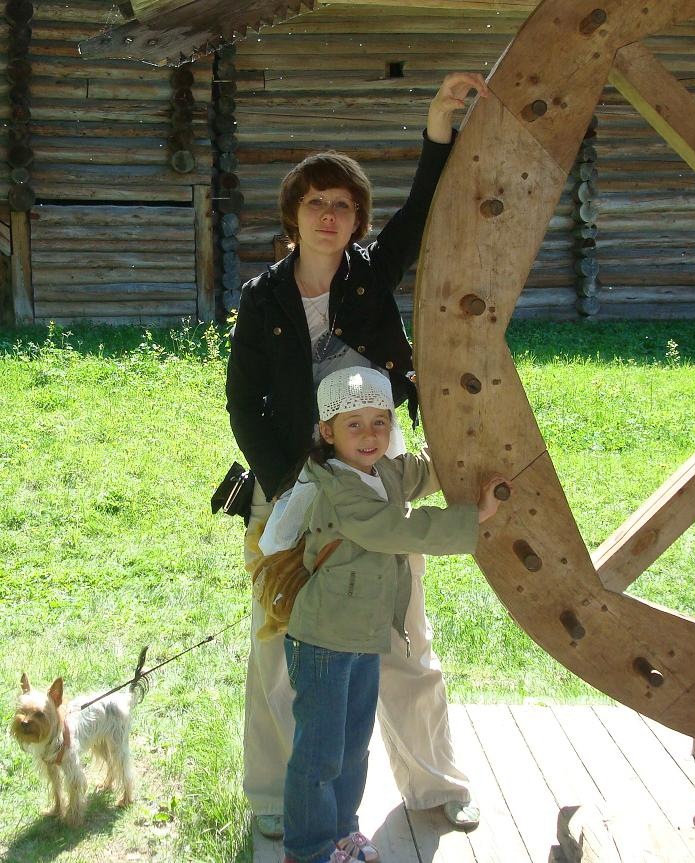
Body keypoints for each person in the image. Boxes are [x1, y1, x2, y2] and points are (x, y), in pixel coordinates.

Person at [226, 71, 490, 839]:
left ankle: (434, 783)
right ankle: (274, 797)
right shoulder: (263, 299)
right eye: (316, 202)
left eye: (343, 205)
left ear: (356, 220)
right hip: (289, 482)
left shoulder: (370, 275)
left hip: (376, 470)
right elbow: (243, 403)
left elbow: (422, 211)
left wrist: (437, 127)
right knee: (281, 637)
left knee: (401, 629)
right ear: (293, 216)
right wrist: (290, 485)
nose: (329, 215)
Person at [266, 366, 510, 863]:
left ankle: (342, 833)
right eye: (354, 424)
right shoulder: (339, 489)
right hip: (323, 644)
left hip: (362, 638)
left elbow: (425, 471)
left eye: (380, 422)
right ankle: (307, 850)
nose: (370, 435)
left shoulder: (385, 473)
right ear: (327, 432)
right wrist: (474, 517)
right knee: (319, 756)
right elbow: (397, 529)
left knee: (353, 749)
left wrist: (460, 443)